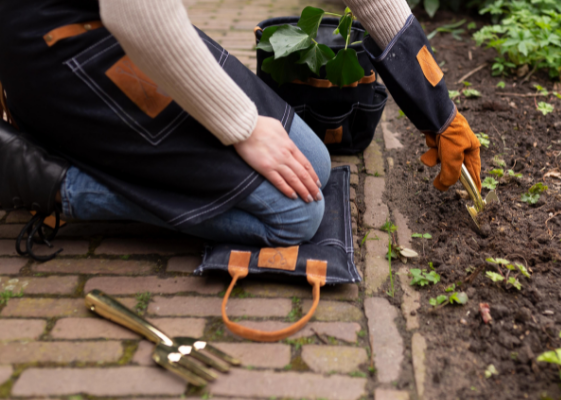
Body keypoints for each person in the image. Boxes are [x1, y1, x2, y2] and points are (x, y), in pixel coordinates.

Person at [0, 0, 481, 258]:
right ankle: (48, 180)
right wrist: (243, 127)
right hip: (57, 45)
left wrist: (438, 112)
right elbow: (138, 16)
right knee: (296, 216)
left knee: (312, 163)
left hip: (130, 23)